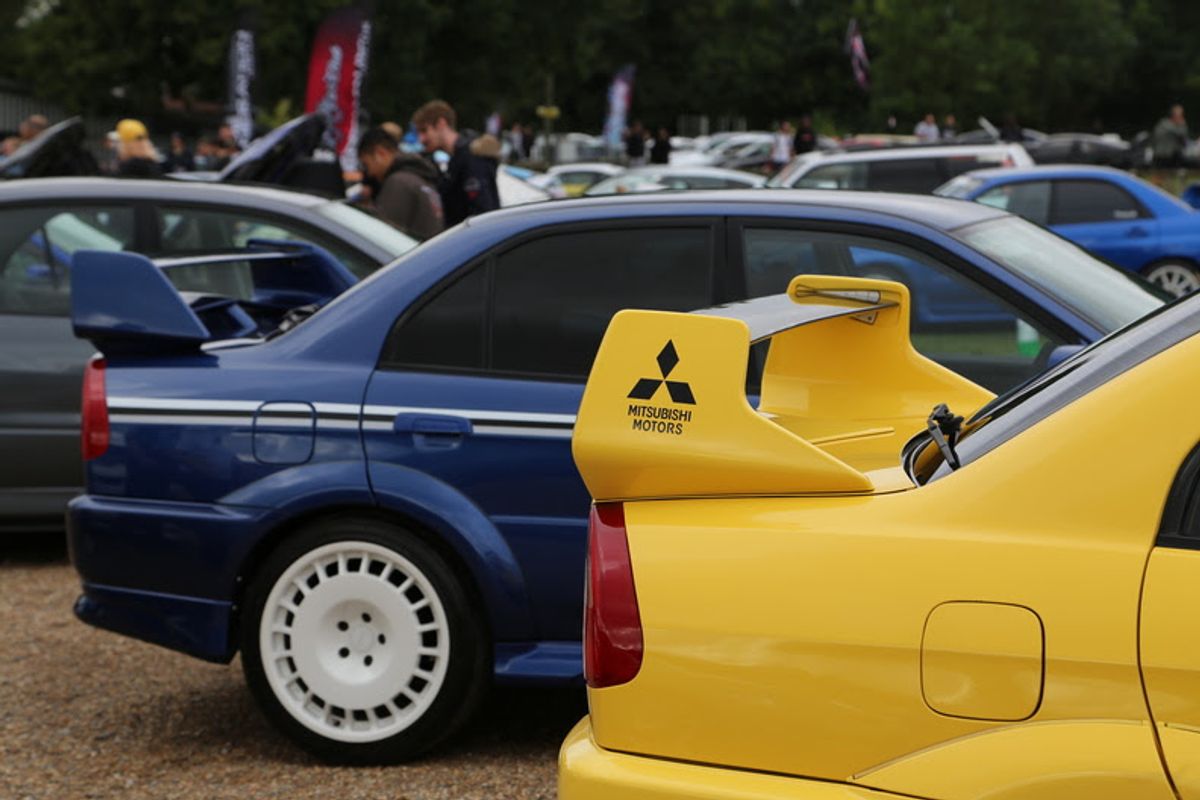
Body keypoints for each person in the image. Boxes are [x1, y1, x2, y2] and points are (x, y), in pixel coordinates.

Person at [411, 99, 500, 226]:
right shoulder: (460, 158)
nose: (421, 139)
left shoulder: (470, 159)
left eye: (424, 131)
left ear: (441, 124)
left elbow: (482, 215)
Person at [357, 126, 444, 240]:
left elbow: (381, 237)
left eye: (366, 165)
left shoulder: (398, 183)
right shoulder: (420, 177)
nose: (369, 173)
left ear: (381, 153)